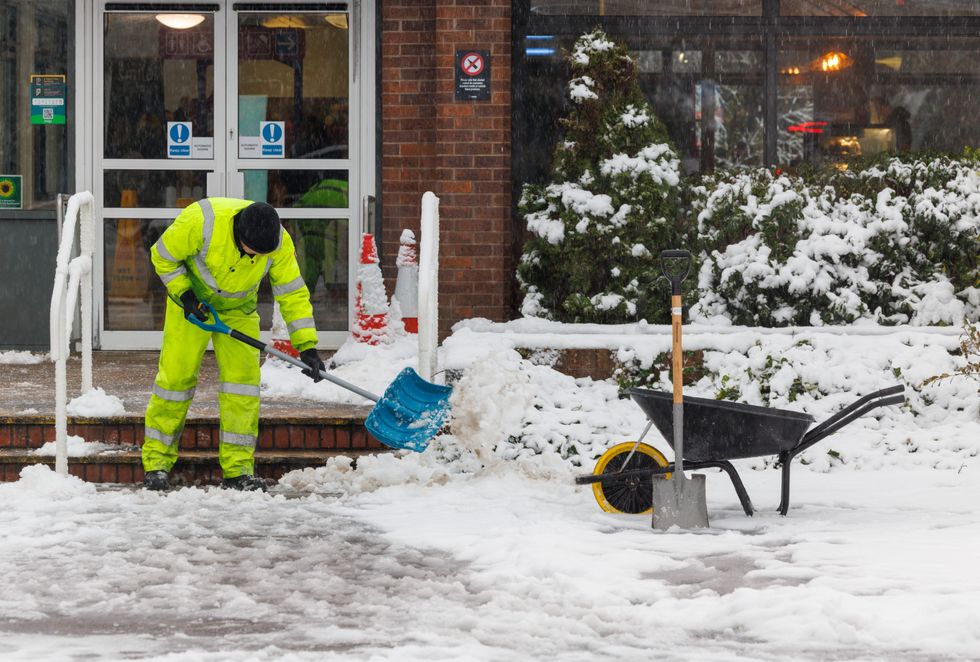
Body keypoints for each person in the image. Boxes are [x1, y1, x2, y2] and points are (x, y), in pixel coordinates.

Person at [141, 199, 326, 491]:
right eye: (251, 251)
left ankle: (238, 471)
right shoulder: (200, 221)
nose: (255, 257)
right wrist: (185, 295)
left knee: (242, 387)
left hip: (238, 311)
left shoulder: (280, 242)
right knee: (175, 381)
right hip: (190, 305)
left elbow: (292, 293)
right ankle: (156, 465)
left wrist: (307, 347)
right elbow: (162, 256)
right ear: (238, 234)